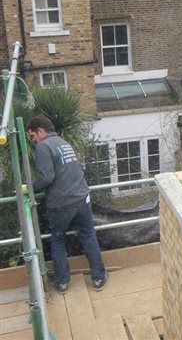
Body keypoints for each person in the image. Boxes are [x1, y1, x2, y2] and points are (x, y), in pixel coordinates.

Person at [27, 115, 107, 294]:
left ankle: (62, 282)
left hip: (61, 203)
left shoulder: (43, 146)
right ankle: (99, 277)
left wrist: (28, 187)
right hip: (81, 197)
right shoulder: (63, 143)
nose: (33, 141)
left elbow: (46, 177)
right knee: (88, 235)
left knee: (57, 238)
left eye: (33, 136)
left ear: (41, 131)